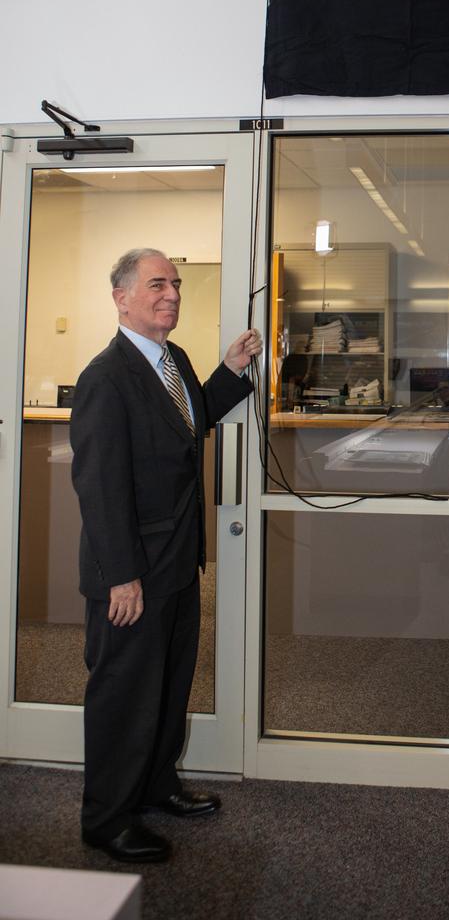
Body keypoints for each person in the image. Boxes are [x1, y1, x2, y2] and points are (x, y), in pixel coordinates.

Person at [71, 248, 262, 864]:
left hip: (177, 563)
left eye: (176, 285)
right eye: (157, 285)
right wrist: (122, 577)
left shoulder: (173, 361)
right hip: (131, 575)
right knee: (124, 694)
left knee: (168, 686)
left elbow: (191, 423)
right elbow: (99, 487)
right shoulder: (106, 376)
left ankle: (156, 787)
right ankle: (107, 818)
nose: (172, 295)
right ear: (122, 298)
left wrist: (230, 370)